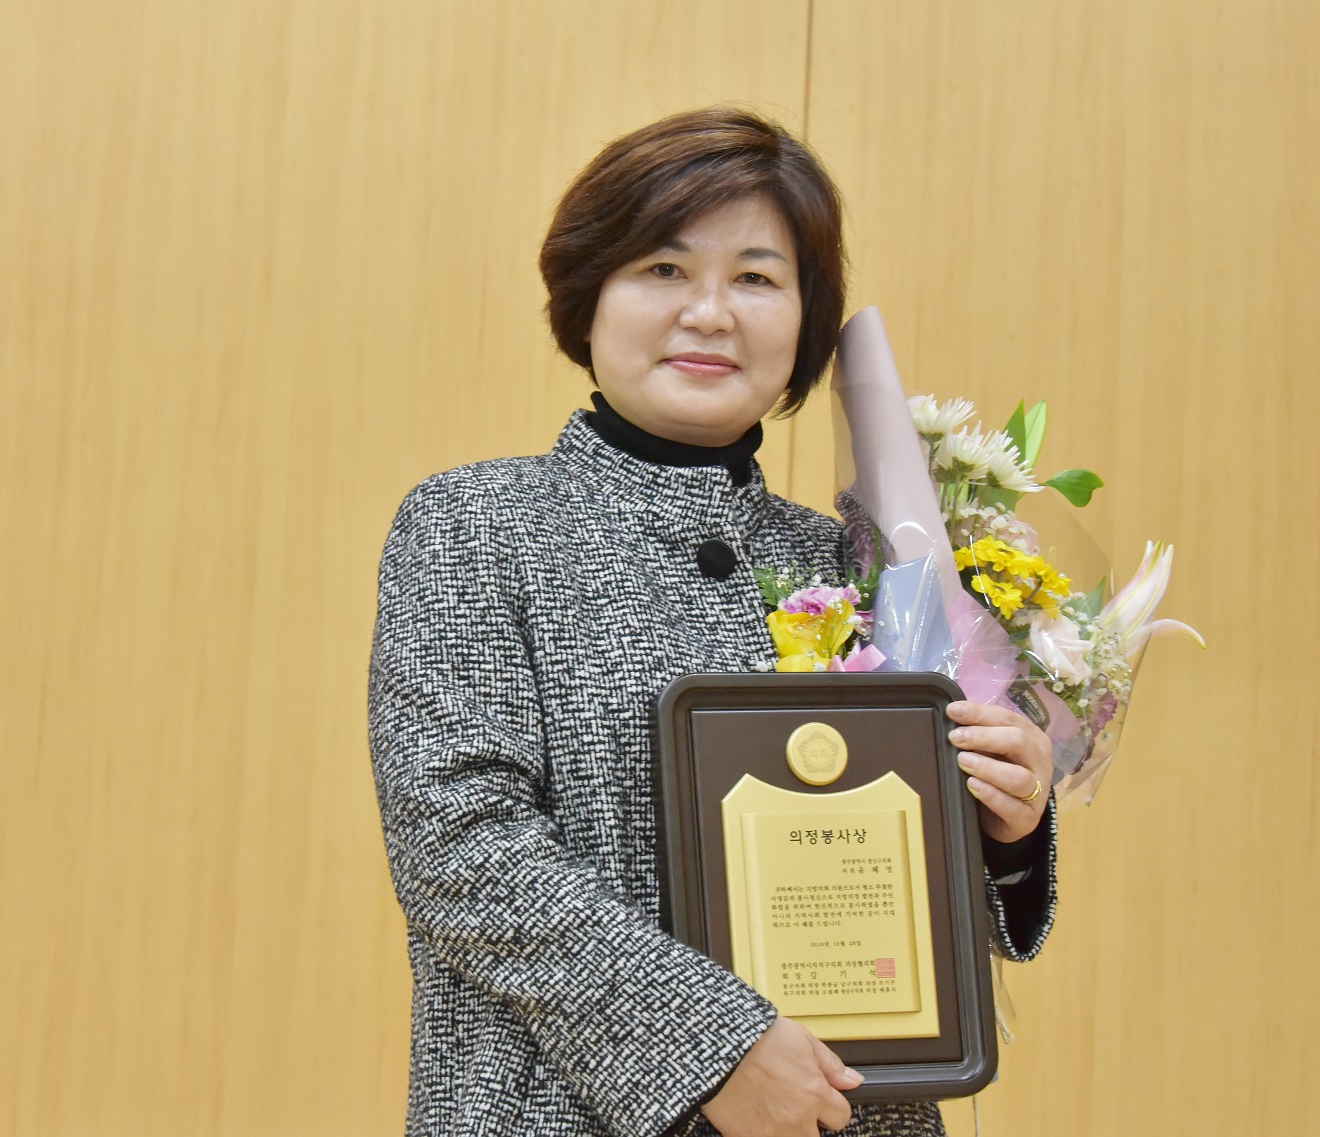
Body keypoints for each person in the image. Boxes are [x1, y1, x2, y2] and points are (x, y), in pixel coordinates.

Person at [368, 106, 1057, 1137]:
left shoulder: (863, 561)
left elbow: (912, 888)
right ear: (587, 297)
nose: (708, 313)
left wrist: (1004, 820)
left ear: (805, 320)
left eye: (755, 278)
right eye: (661, 269)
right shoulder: (472, 525)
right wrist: (711, 1045)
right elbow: (462, 848)